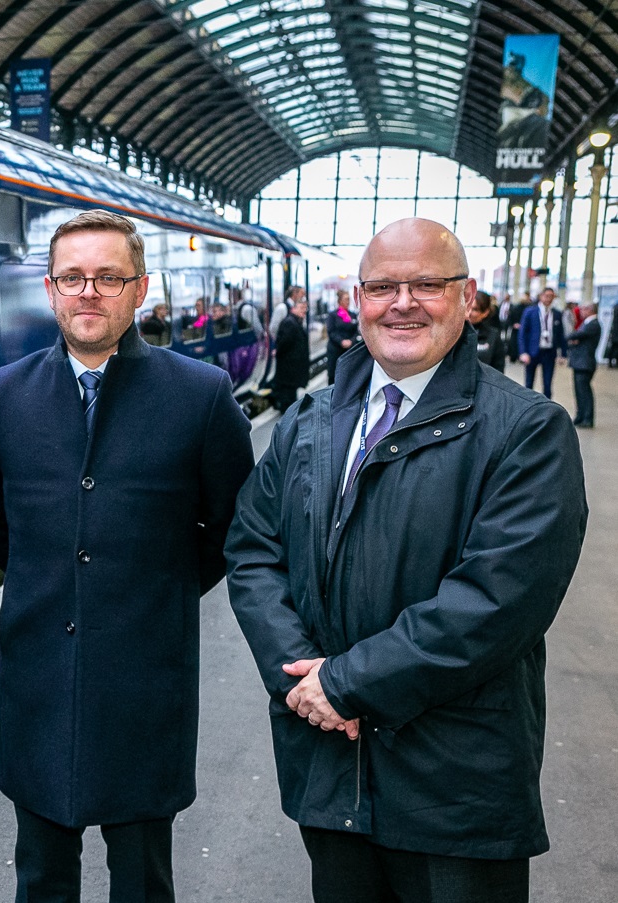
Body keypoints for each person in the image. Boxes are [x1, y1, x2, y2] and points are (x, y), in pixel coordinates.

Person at [224, 218, 587, 903]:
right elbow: (251, 551)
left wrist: (343, 685)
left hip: (453, 790)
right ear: (356, 298)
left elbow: (494, 602)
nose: (402, 302)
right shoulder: (310, 421)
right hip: (331, 769)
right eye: (383, 285)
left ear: (467, 297)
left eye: (426, 284)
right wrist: (304, 681)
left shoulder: (528, 430)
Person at [0, 210, 253, 903]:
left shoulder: (201, 395)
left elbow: (233, 527)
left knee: (143, 880)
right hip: (38, 680)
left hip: (145, 680)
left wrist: (157, 589)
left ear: (139, 288)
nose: (88, 292)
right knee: (40, 878)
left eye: (107, 277)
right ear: (50, 288)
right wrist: (59, 582)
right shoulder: (1, 396)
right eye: (72, 277)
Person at [518, 286, 565, 397]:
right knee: (529, 383)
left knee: (547, 384)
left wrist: (563, 353)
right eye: (546, 296)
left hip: (549, 352)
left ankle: (547, 409)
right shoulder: (530, 312)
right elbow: (522, 333)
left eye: (551, 296)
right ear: (541, 296)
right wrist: (523, 352)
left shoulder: (557, 314)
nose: (549, 299)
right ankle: (528, 408)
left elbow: (560, 334)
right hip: (532, 351)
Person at [270, 293, 310, 411]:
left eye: (305, 308)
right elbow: (283, 343)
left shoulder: (294, 321)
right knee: (288, 396)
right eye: (301, 308)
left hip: (292, 368)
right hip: (288, 367)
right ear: (293, 309)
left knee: (291, 394)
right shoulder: (290, 323)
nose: (304, 311)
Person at [568, 301, 600, 427]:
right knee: (579, 391)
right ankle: (580, 415)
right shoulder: (587, 324)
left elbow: (576, 335)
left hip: (585, 363)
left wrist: (573, 338)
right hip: (580, 362)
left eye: (582, 310)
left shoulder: (593, 324)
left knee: (584, 392)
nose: (580, 312)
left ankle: (587, 418)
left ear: (589, 310)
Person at [324, 289, 358, 383]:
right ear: (340, 301)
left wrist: (352, 341)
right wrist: (341, 341)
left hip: (349, 350)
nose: (348, 302)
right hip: (335, 349)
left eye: (349, 299)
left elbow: (357, 331)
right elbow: (331, 331)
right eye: (346, 299)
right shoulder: (333, 315)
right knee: (334, 376)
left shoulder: (352, 315)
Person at [467, 290, 504, 369]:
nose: (469, 313)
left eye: (475, 309)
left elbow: (498, 369)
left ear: (485, 312)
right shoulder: (455, 333)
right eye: (468, 307)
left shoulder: (493, 336)